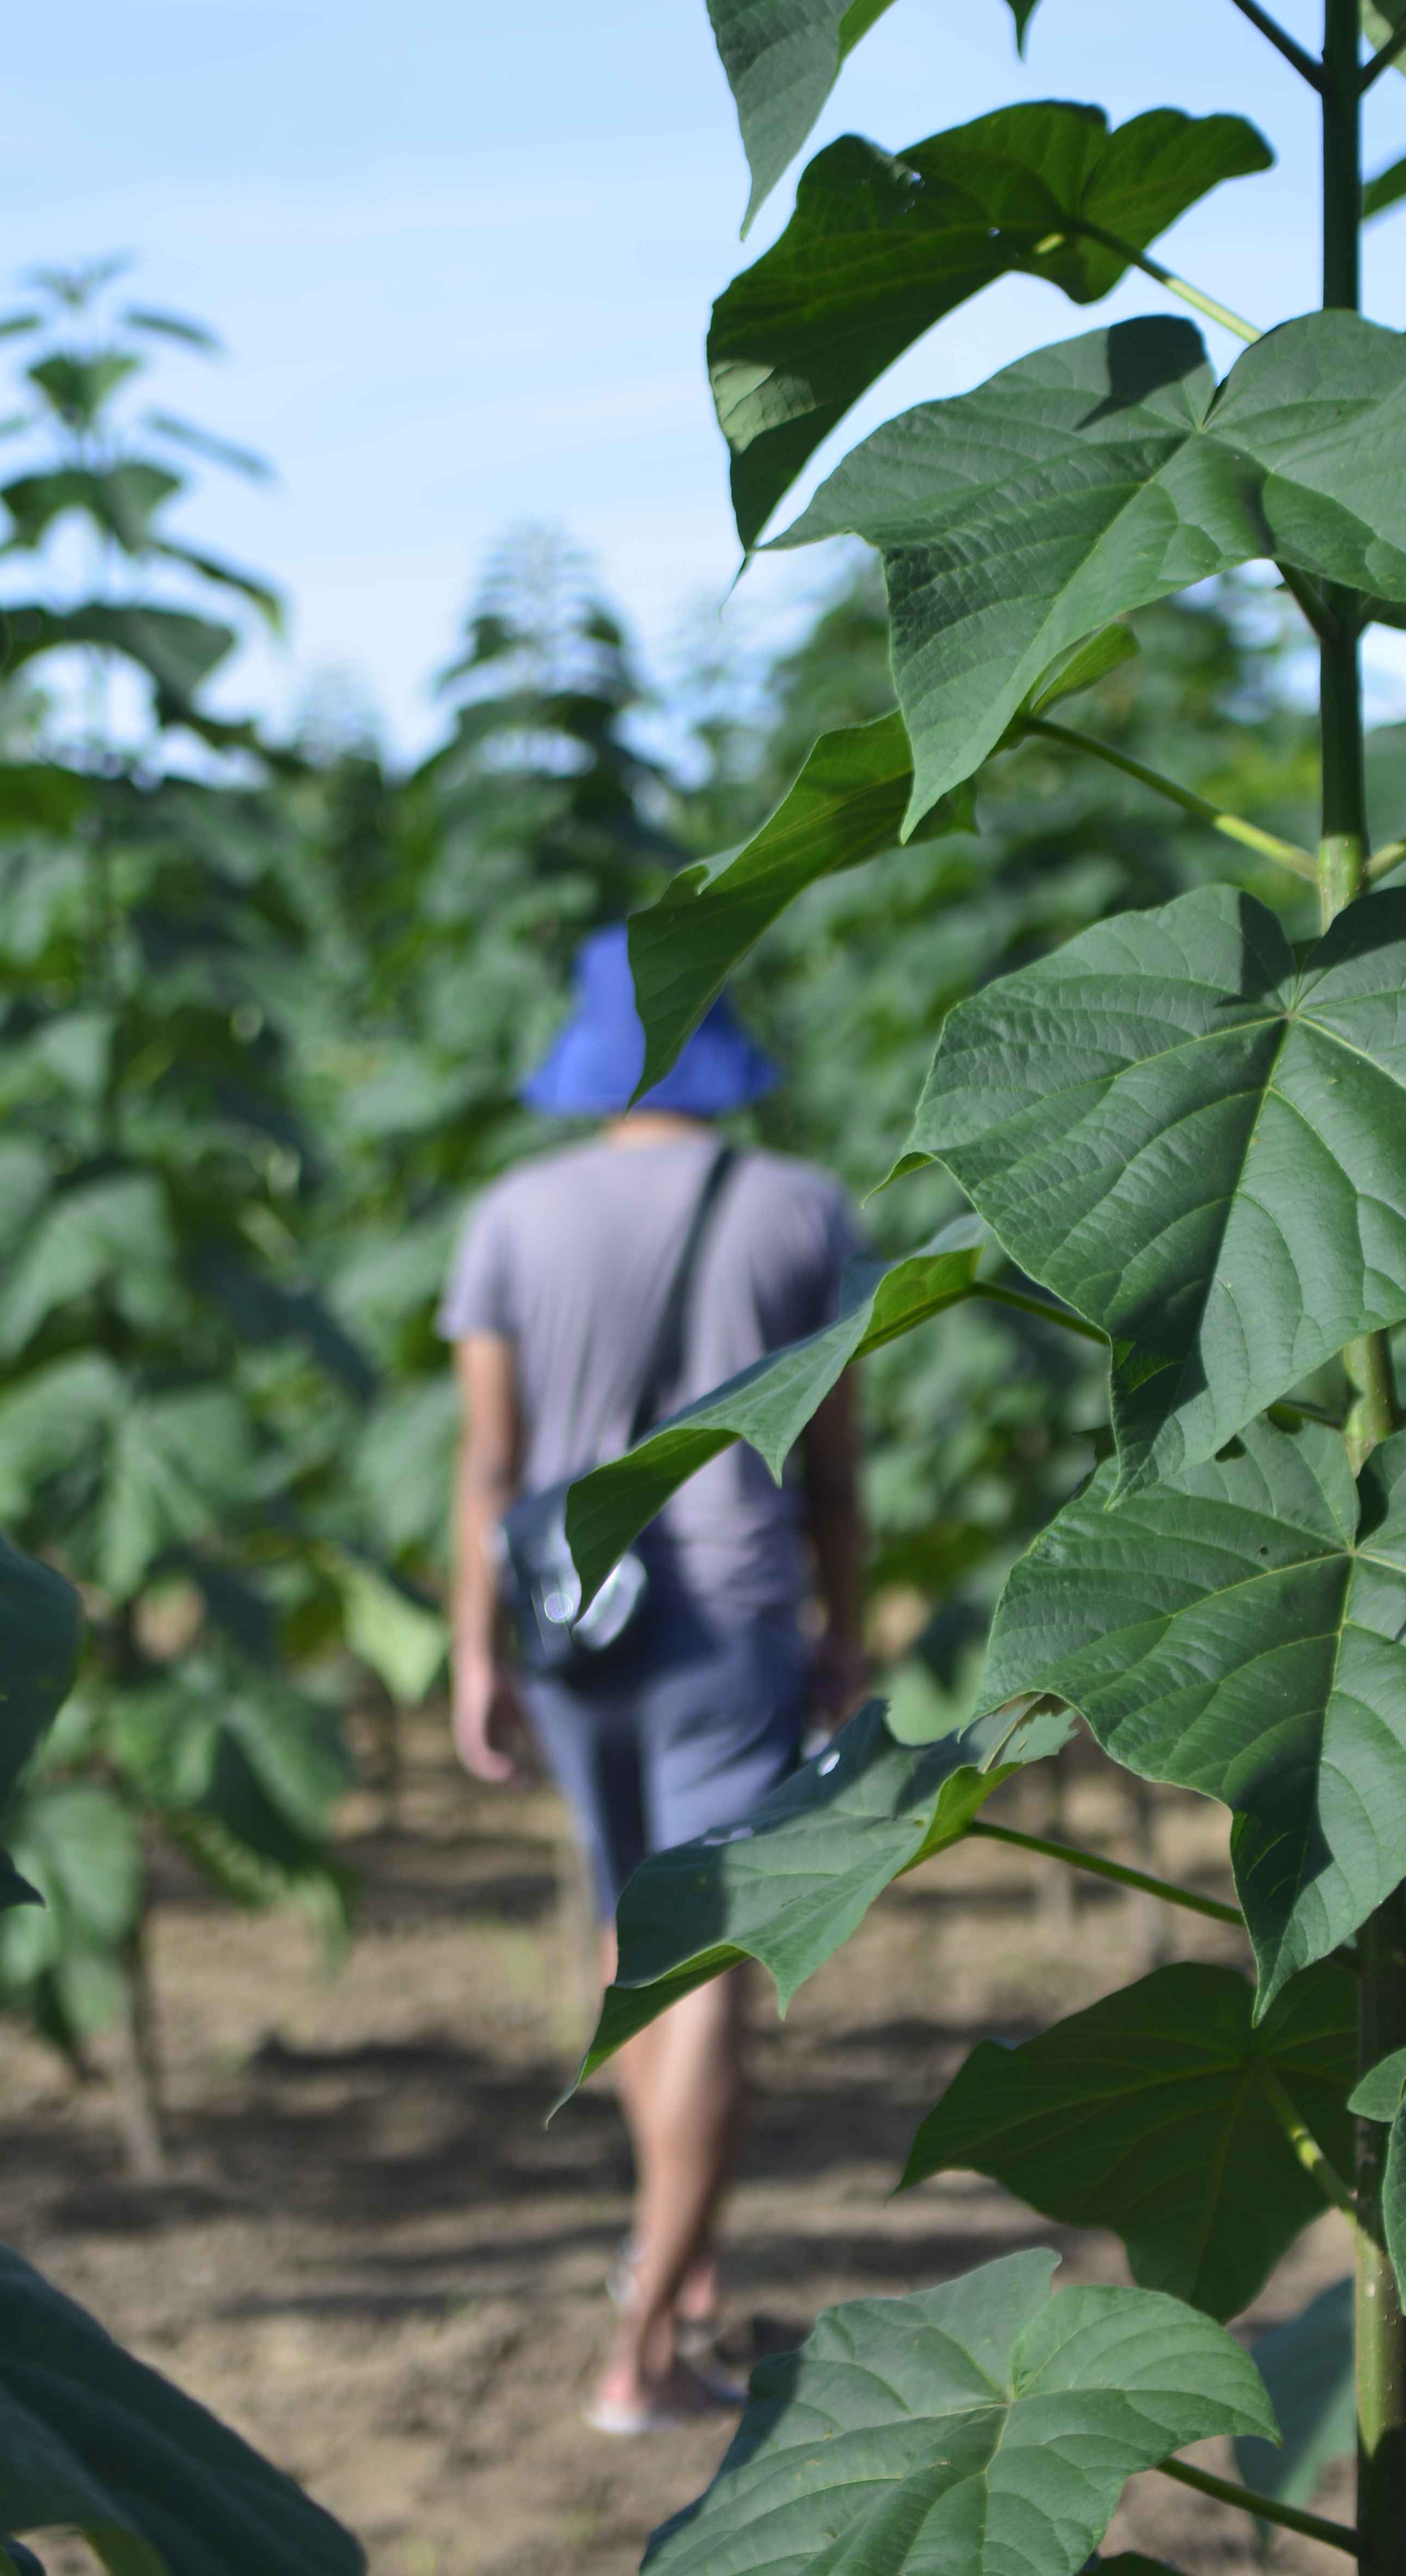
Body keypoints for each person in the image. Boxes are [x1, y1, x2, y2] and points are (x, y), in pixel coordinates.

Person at [439, 925, 871, 2434]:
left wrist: (472, 1649)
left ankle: (676, 2287)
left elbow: (490, 1459)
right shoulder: (799, 1207)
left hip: (574, 1618)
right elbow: (832, 1460)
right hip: (733, 1616)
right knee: (712, 1977)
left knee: (638, 1949)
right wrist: (848, 1624)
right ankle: (643, 2347)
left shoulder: (512, 1214)